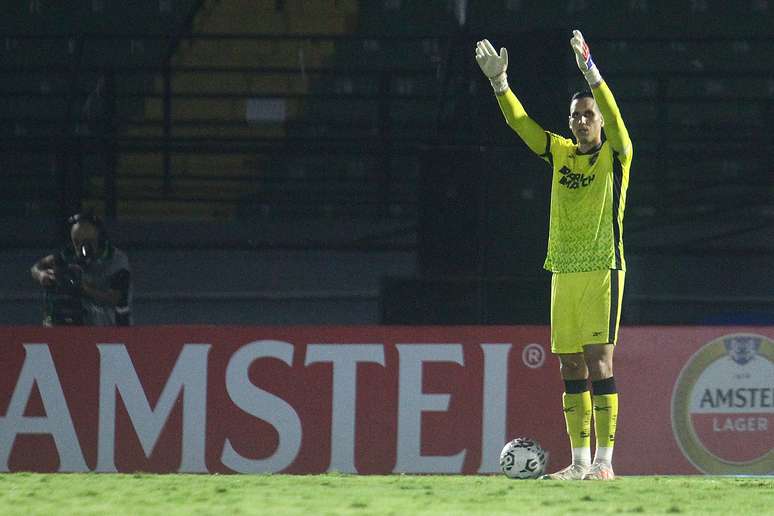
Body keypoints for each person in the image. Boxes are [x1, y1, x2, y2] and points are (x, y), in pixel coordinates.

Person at [475, 30, 632, 480]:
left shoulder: (617, 157)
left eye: (588, 115)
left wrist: (591, 72)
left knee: (601, 361)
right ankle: (579, 461)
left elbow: (620, 121)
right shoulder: (560, 153)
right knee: (569, 364)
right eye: (575, 116)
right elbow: (521, 125)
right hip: (563, 269)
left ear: (599, 122)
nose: (581, 121)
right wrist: (500, 86)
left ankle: (604, 462)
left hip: (603, 267)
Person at [31, 211, 132, 326]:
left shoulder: (117, 260)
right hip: (79, 319)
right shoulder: (69, 253)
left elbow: (114, 299)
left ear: (100, 238)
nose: (83, 247)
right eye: (77, 242)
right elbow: (36, 267)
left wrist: (84, 289)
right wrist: (41, 275)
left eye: (88, 242)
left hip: (110, 323)